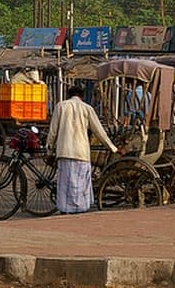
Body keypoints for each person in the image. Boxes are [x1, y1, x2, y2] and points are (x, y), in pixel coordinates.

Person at [46, 85, 120, 214]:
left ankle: (65, 208)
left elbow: (52, 132)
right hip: (81, 152)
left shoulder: (61, 106)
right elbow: (99, 131)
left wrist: (49, 150)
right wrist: (113, 148)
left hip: (65, 151)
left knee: (65, 183)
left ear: (69, 95)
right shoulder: (87, 108)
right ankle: (80, 208)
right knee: (80, 183)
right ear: (82, 96)